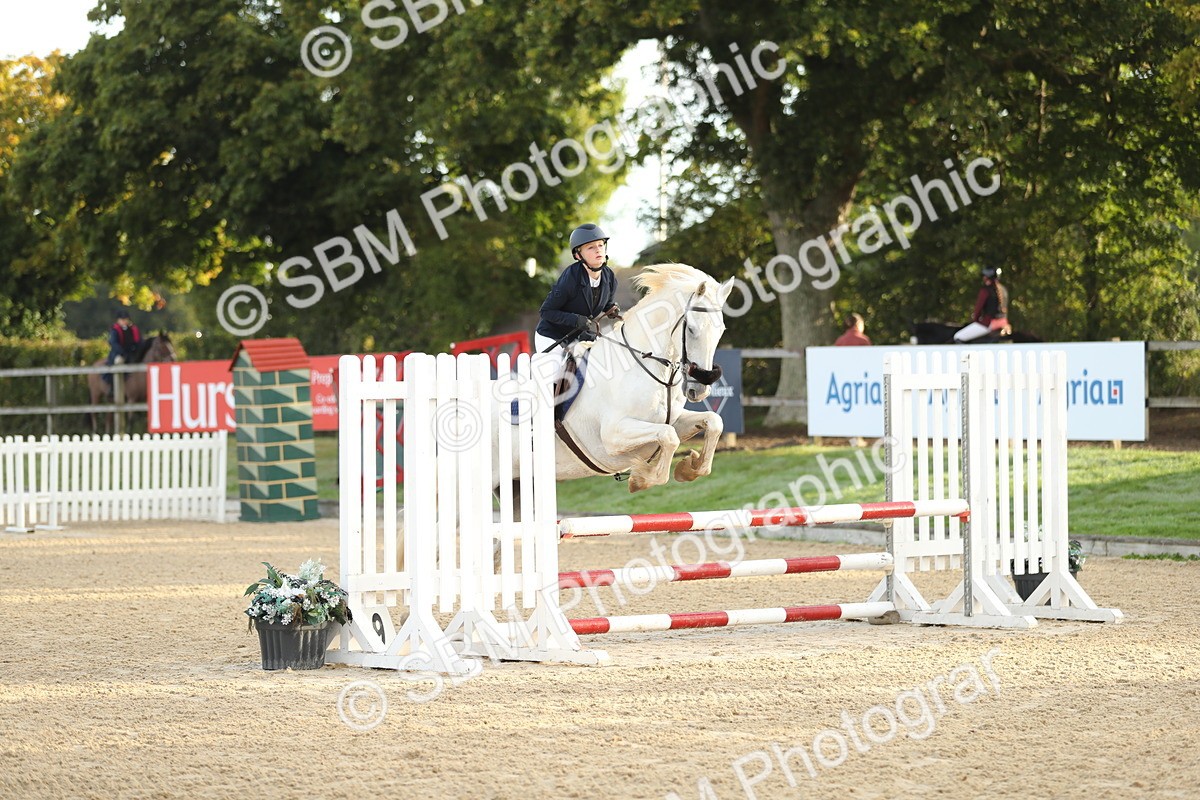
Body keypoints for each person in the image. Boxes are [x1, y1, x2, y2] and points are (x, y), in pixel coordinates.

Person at [534, 223, 620, 354]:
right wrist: (575, 319)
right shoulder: (571, 277)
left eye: (601, 245)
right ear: (578, 256)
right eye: (591, 247)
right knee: (555, 370)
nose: (598, 250)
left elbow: (606, 303)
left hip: (579, 337)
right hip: (553, 337)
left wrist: (611, 309)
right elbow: (546, 311)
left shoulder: (610, 277)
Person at [953, 266, 1010, 343]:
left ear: (986, 277)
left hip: (989, 323)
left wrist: (975, 321)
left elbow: (978, 309)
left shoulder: (985, 290)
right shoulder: (1003, 289)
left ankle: (968, 354)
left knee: (958, 337)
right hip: (1003, 323)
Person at [104, 310, 142, 388]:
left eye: (126, 319)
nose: (124, 321)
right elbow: (114, 343)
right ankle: (113, 387)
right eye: (122, 320)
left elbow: (138, 341)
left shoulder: (132, 329)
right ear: (118, 320)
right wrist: (123, 352)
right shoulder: (115, 330)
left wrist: (136, 349)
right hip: (120, 353)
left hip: (131, 352)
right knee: (118, 362)